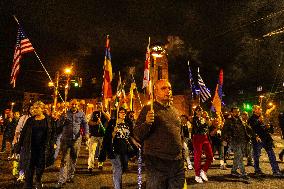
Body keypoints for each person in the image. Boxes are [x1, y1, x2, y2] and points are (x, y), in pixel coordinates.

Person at [134, 79, 185, 189]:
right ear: (155, 92)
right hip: (156, 161)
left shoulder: (175, 111)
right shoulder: (148, 109)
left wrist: (182, 155)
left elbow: (179, 134)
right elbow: (138, 134)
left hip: (177, 162)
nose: (168, 91)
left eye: (169, 88)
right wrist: (147, 123)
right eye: (163, 88)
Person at [16, 101, 56, 189]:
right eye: (34, 108)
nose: (34, 110)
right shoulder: (30, 120)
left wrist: (53, 144)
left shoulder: (49, 120)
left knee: (40, 165)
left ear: (42, 109)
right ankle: (28, 183)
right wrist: (18, 147)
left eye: (37, 108)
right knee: (29, 165)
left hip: (43, 148)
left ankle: (38, 180)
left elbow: (53, 133)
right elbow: (23, 133)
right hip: (30, 147)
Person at [56, 99, 89, 188]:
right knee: (64, 159)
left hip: (76, 140)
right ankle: (62, 179)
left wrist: (86, 133)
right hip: (66, 139)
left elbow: (85, 124)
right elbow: (58, 125)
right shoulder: (65, 114)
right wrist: (63, 120)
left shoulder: (81, 114)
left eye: (75, 104)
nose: (74, 106)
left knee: (73, 158)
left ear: (77, 105)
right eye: (72, 104)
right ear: (70, 105)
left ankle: (71, 175)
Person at [104, 107, 140, 189]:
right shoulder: (112, 123)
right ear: (117, 113)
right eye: (121, 112)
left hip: (125, 150)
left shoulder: (128, 123)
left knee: (123, 168)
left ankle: (117, 179)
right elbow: (107, 137)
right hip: (114, 149)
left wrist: (135, 142)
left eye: (124, 112)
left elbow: (130, 136)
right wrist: (113, 132)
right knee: (118, 169)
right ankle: (117, 187)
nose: (123, 113)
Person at [248, 105, 282, 177]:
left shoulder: (263, 118)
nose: (260, 110)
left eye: (260, 109)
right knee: (256, 155)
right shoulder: (252, 118)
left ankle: (276, 171)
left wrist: (269, 126)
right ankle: (257, 170)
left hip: (266, 139)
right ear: (254, 110)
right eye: (258, 109)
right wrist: (258, 122)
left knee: (272, 155)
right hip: (258, 140)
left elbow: (268, 129)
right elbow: (251, 129)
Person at [222, 107, 251, 180]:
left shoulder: (240, 120)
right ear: (231, 113)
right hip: (234, 141)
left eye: (238, 111)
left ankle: (233, 171)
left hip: (242, 140)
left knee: (237, 157)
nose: (237, 113)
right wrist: (224, 140)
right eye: (235, 112)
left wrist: (253, 135)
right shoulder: (228, 121)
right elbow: (224, 131)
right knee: (240, 156)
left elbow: (246, 128)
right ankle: (243, 173)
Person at [191, 106, 213, 183]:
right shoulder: (194, 119)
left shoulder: (203, 119)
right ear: (196, 111)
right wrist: (205, 124)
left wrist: (208, 123)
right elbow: (197, 128)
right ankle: (197, 175)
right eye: (198, 110)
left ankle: (203, 170)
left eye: (201, 110)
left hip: (205, 137)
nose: (200, 111)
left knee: (210, 156)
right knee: (198, 156)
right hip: (197, 137)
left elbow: (207, 129)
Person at [87, 102, 110, 171]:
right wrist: (95, 123)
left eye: (100, 106)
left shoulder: (106, 112)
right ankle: (90, 166)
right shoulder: (93, 113)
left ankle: (100, 164)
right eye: (97, 106)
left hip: (102, 135)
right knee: (91, 151)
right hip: (94, 135)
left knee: (101, 151)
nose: (99, 107)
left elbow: (109, 119)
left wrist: (102, 111)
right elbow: (89, 122)